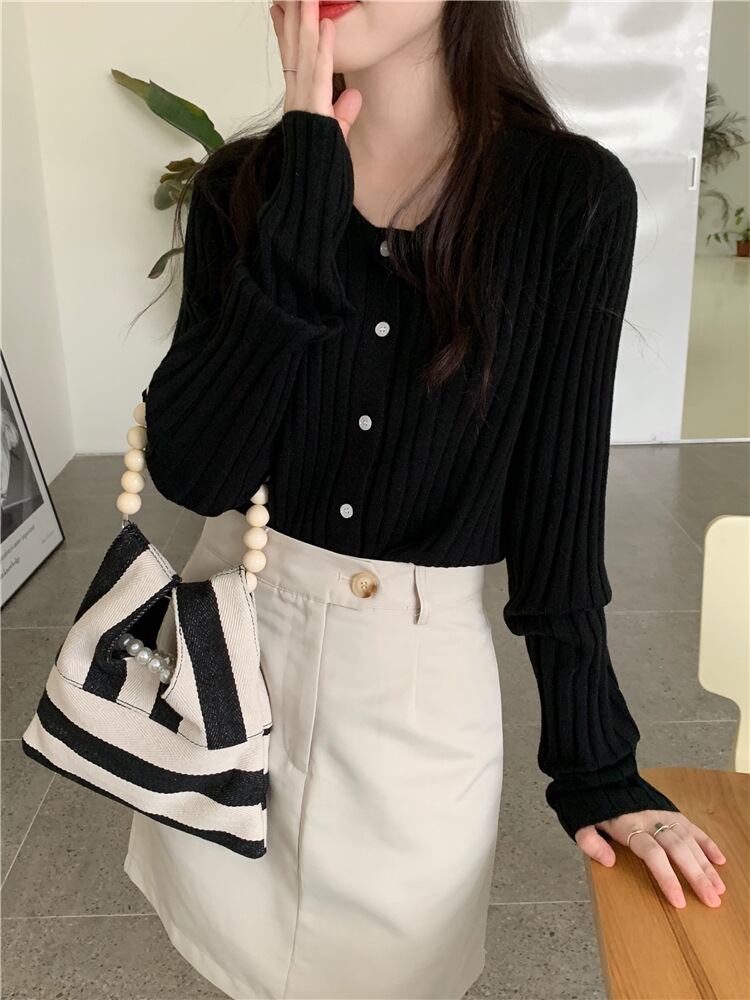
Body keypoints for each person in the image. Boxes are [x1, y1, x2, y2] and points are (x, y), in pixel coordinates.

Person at [123, 2, 727, 997]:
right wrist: (305, 199)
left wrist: (597, 765)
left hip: (415, 691)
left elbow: (556, 509)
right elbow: (197, 473)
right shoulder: (244, 185)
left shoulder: (569, 198)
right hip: (229, 651)